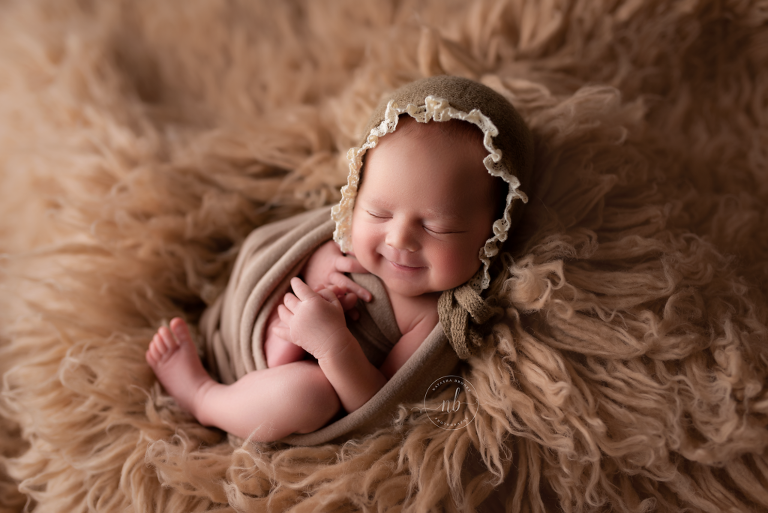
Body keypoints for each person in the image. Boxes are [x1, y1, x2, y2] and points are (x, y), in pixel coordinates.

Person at [145, 76, 533, 442]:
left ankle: (203, 397)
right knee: (296, 333)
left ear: (493, 234)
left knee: (311, 394)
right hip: (264, 338)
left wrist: (333, 346)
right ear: (354, 197)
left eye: (438, 228)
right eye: (378, 214)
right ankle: (277, 344)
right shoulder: (348, 239)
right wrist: (314, 268)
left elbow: (379, 407)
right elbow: (274, 251)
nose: (398, 240)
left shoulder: (431, 317)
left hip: (295, 391)